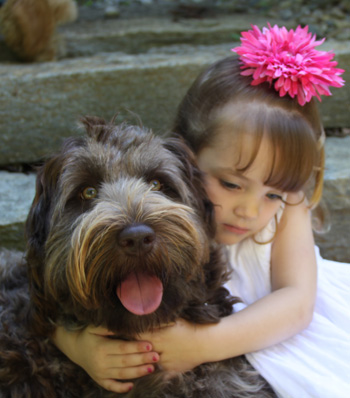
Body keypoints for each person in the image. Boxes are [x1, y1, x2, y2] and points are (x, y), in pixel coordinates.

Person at [53, 24, 349, 397]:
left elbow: (296, 303)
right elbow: (49, 303)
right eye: (231, 184)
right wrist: (75, 345)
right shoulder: (161, 208)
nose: (249, 211)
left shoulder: (290, 206)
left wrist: (200, 345)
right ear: (185, 156)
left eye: (273, 193)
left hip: (277, 331)